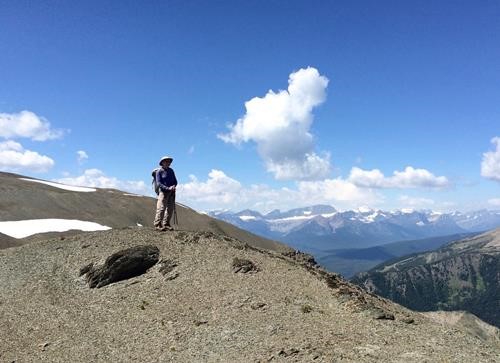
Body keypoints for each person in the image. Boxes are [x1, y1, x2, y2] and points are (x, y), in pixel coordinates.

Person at [154, 156, 177, 231]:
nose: (168, 163)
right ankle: (158, 224)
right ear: (162, 163)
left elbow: (175, 181)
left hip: (171, 192)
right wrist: (168, 188)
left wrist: (173, 186)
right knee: (161, 208)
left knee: (170, 209)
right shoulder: (159, 172)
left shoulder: (171, 171)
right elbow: (159, 183)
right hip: (163, 192)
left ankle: (166, 224)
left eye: (169, 162)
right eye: (166, 161)